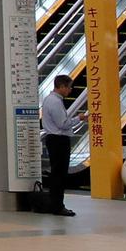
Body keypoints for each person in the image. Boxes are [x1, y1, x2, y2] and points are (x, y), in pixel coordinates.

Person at [39, 73, 80, 216]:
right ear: (61, 86)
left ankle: (54, 204)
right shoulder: (55, 102)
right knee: (59, 174)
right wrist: (78, 119)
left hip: (53, 139)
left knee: (57, 173)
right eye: (68, 87)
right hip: (59, 140)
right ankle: (57, 205)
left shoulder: (48, 100)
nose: (70, 90)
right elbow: (63, 124)